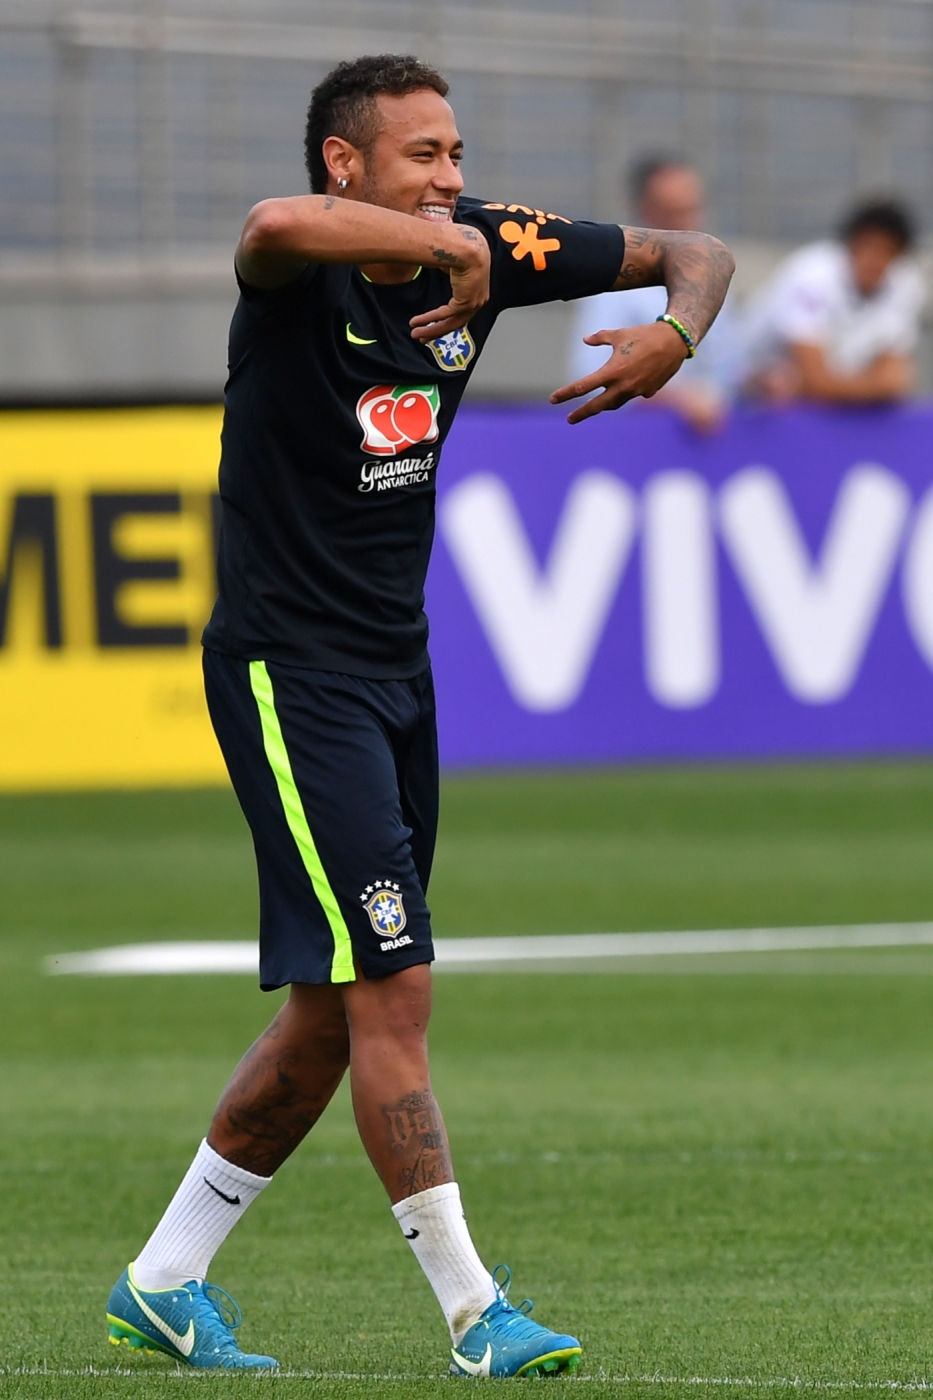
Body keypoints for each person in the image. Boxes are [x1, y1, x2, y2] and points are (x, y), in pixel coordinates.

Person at [104, 54, 733, 1378]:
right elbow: (270, 227)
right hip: (290, 671)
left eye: (457, 154)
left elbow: (701, 250)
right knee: (393, 986)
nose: (454, 179)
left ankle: (164, 1281)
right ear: (348, 164)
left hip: (399, 669)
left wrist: (672, 338)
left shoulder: (491, 245)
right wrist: (441, 244)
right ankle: (473, 1310)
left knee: (336, 1011)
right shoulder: (301, 272)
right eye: (423, 156)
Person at [568, 156, 741, 431]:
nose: (688, 224)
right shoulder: (613, 280)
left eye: (692, 210)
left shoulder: (712, 277)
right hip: (638, 443)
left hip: (710, 446)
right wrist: (675, 401)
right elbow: (590, 378)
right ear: (646, 211)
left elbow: (730, 365)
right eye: (674, 212)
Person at [740, 198, 924, 404]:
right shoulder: (812, 274)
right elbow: (816, 379)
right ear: (852, 243)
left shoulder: (906, 284)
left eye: (888, 251)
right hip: (742, 398)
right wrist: (872, 387)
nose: (877, 260)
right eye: (870, 246)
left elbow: (893, 379)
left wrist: (819, 385)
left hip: (806, 402)